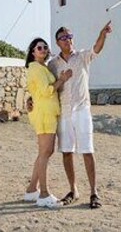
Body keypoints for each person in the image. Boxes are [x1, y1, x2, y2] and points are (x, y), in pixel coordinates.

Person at [48, 22, 112, 209]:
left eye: (70, 36)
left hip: (82, 109)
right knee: (67, 152)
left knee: (87, 150)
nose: (68, 40)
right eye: (64, 37)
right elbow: (50, 87)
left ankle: (94, 192)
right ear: (58, 42)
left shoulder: (82, 56)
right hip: (65, 112)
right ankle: (73, 190)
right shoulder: (53, 64)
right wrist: (62, 79)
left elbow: (97, 49)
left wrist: (103, 34)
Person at [23, 37, 72, 209]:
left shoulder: (42, 68)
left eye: (45, 47)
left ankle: (31, 190)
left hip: (47, 112)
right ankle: (43, 193)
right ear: (33, 52)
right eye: (39, 48)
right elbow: (45, 91)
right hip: (44, 114)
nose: (43, 49)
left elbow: (36, 91)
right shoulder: (36, 68)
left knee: (44, 152)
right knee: (45, 152)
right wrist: (63, 79)